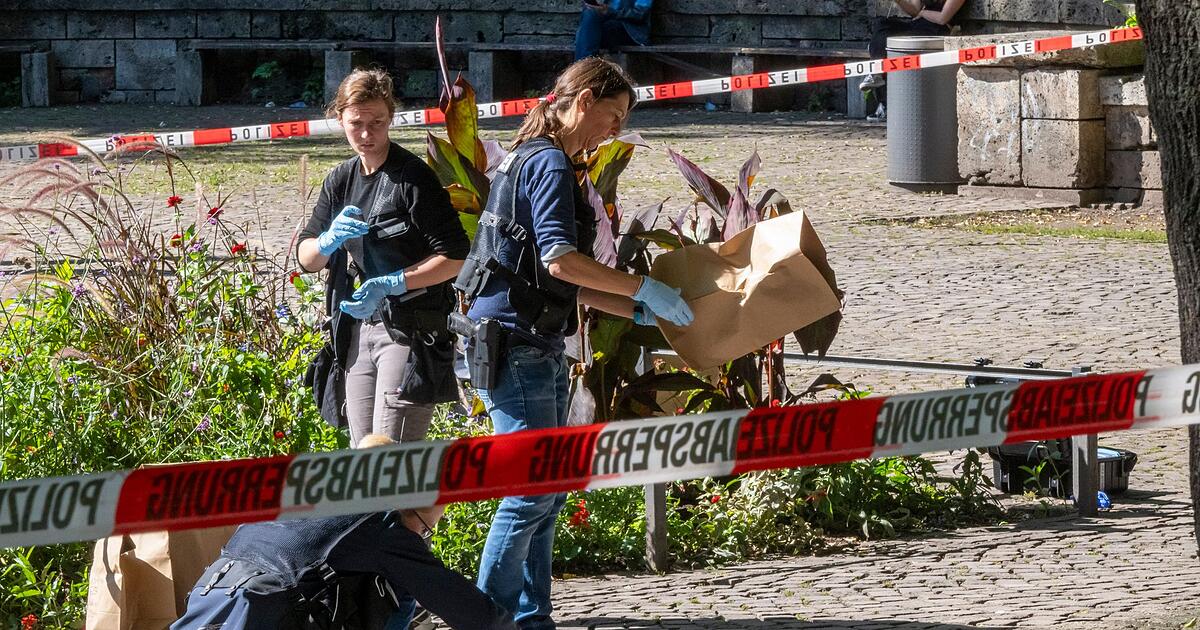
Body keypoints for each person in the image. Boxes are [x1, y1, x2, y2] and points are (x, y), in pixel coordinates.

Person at [452, 57, 694, 629]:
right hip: (518, 344)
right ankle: (488, 619)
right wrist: (643, 287)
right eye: (613, 115)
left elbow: (563, 282)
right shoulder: (549, 165)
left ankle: (531, 618)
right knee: (531, 492)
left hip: (528, 339)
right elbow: (563, 262)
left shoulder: (532, 160)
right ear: (581, 100)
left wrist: (640, 311)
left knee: (548, 489)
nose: (615, 130)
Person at [171, 435, 517, 630]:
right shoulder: (381, 524)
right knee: (400, 585)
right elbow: (467, 609)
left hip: (214, 603)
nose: (422, 538)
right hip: (273, 614)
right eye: (425, 529)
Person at [297, 69, 468, 446]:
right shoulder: (341, 178)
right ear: (339, 118)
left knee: (390, 456)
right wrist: (326, 241)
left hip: (409, 329)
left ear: (391, 118)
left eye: (377, 123)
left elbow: (456, 257)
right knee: (364, 455)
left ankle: (409, 508)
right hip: (358, 328)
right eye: (356, 123)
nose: (366, 134)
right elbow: (306, 258)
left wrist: (393, 282)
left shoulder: (413, 178)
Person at [859, 0, 967, 122]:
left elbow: (943, 18)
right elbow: (915, 11)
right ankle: (876, 73)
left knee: (892, 45)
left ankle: (886, 103)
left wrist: (923, 13)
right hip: (918, 24)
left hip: (935, 30)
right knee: (882, 25)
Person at [574, 0, 654, 60]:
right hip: (607, 27)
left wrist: (609, 11)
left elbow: (640, 14)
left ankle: (582, 72)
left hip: (631, 31)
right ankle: (584, 71)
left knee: (587, 35)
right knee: (589, 14)